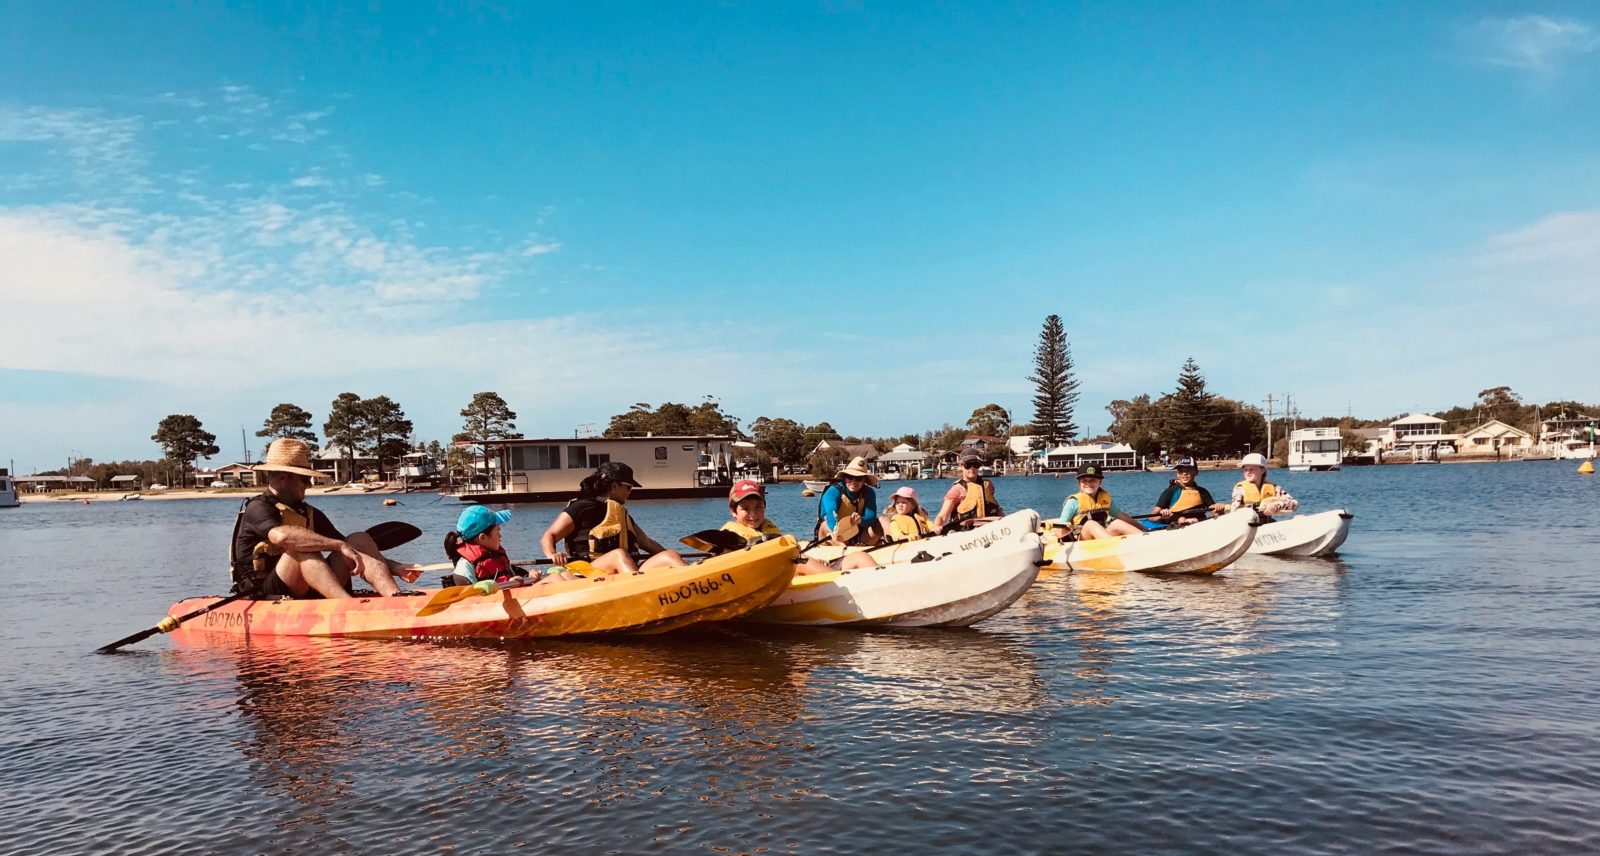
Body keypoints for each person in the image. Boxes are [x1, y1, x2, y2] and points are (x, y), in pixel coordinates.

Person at [230, 438, 422, 599]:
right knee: (302, 548)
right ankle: (347, 606)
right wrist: (337, 546)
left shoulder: (307, 512)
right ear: (282, 477)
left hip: (309, 585)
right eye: (305, 479)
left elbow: (352, 549)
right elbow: (281, 537)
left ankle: (395, 598)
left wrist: (396, 567)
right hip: (269, 592)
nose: (309, 485)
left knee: (358, 539)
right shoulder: (258, 507)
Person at [540, 461, 687, 575]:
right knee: (618, 555)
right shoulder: (581, 508)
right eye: (628, 487)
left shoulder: (621, 514)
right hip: (590, 572)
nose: (630, 492)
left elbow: (647, 543)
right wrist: (553, 554)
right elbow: (549, 535)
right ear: (614, 486)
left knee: (670, 555)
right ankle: (636, 593)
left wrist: (669, 554)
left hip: (626, 572)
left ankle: (696, 585)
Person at [717, 479, 877, 575]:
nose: (753, 513)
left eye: (758, 507)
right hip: (768, 580)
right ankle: (843, 586)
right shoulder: (728, 536)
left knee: (860, 557)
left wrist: (817, 563)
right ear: (733, 511)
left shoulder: (768, 527)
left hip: (788, 574)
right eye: (745, 508)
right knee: (800, 561)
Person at [1055, 464, 1144, 541]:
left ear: (1100, 482)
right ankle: (1112, 548)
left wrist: (1144, 529)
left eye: (1093, 480)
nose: (1088, 483)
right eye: (1084, 480)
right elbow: (1058, 530)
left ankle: (1146, 538)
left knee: (1117, 522)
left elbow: (1122, 516)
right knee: (1090, 524)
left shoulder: (1105, 498)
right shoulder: (1073, 502)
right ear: (1079, 483)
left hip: (1101, 539)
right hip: (1081, 540)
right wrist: (1064, 530)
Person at [816, 456, 882, 546]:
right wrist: (837, 532)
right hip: (834, 535)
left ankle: (897, 544)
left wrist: (860, 520)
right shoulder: (833, 491)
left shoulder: (869, 493)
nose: (853, 481)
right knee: (824, 525)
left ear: (864, 481)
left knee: (881, 521)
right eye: (850, 477)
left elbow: (871, 517)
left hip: (858, 535)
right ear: (845, 478)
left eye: (858, 478)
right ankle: (843, 548)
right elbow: (830, 514)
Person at [932, 450, 1004, 532]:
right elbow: (942, 516)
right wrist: (936, 526)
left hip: (990, 529)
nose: (972, 468)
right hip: (968, 532)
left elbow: (994, 507)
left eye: (975, 465)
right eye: (968, 465)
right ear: (961, 466)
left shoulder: (988, 485)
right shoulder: (957, 489)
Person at [1150, 457, 1227, 527]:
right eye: (1181, 471)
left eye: (1188, 470)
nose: (1184, 473)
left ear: (1196, 472)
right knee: (1182, 519)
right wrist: (1162, 514)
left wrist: (1219, 508)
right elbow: (1152, 517)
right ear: (1177, 474)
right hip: (1177, 524)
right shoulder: (1170, 491)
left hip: (1198, 523)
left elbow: (1215, 513)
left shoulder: (1202, 492)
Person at [1228, 453, 1298, 520]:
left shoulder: (1274, 488)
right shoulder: (1240, 489)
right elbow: (1234, 510)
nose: (1248, 472)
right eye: (1245, 469)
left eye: (1251, 469)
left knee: (1299, 517)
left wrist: (1276, 506)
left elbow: (1294, 504)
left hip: (1266, 524)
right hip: (1247, 525)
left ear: (1262, 470)